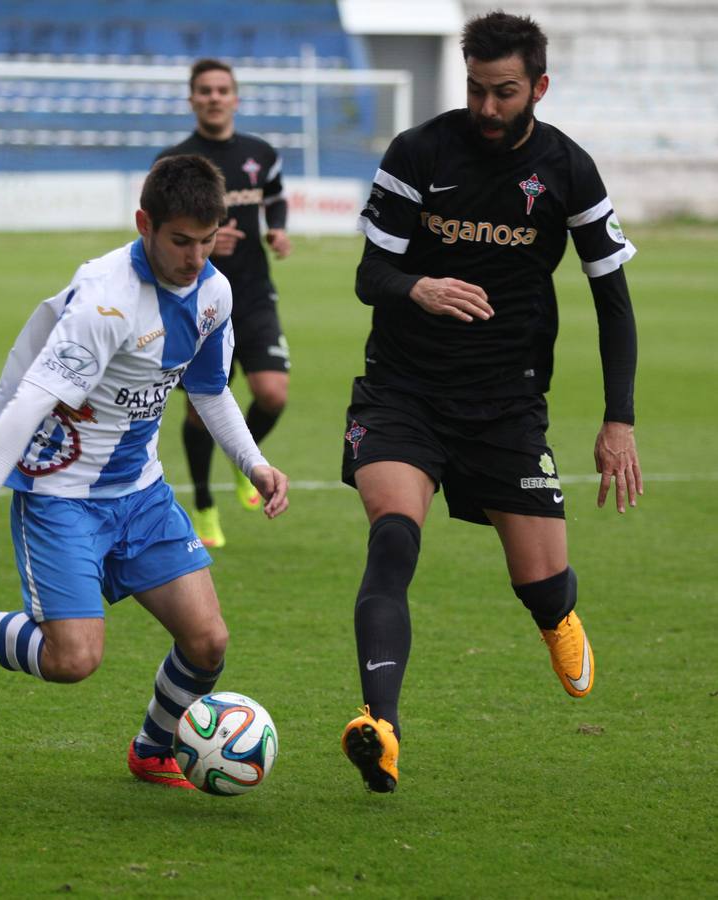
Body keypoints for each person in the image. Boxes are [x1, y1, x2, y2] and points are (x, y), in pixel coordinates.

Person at [0, 154, 289, 789]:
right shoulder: (107, 301)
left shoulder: (213, 293)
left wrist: (254, 462)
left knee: (208, 643)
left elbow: (211, 390)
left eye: (206, 241)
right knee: (73, 660)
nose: (194, 258)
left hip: (140, 492)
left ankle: (153, 747)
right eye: (179, 241)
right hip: (62, 496)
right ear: (145, 224)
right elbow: (31, 398)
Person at [339, 10, 643, 793]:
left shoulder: (568, 170)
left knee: (541, 583)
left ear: (537, 86)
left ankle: (556, 619)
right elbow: (371, 277)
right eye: (476, 89)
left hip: (507, 404)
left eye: (504, 92)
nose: (486, 107)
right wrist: (419, 286)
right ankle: (383, 726)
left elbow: (612, 298)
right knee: (392, 541)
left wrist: (619, 420)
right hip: (403, 388)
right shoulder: (419, 152)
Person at [157, 57, 292, 549]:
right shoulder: (175, 162)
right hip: (198, 301)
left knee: (273, 393)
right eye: (205, 90)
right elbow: (161, 232)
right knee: (199, 409)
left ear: (235, 97)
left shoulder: (260, 153)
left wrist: (277, 228)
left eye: (222, 90)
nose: (214, 97)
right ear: (193, 98)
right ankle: (205, 506)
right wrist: (208, 244)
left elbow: (275, 196)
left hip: (253, 294)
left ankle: (245, 459)